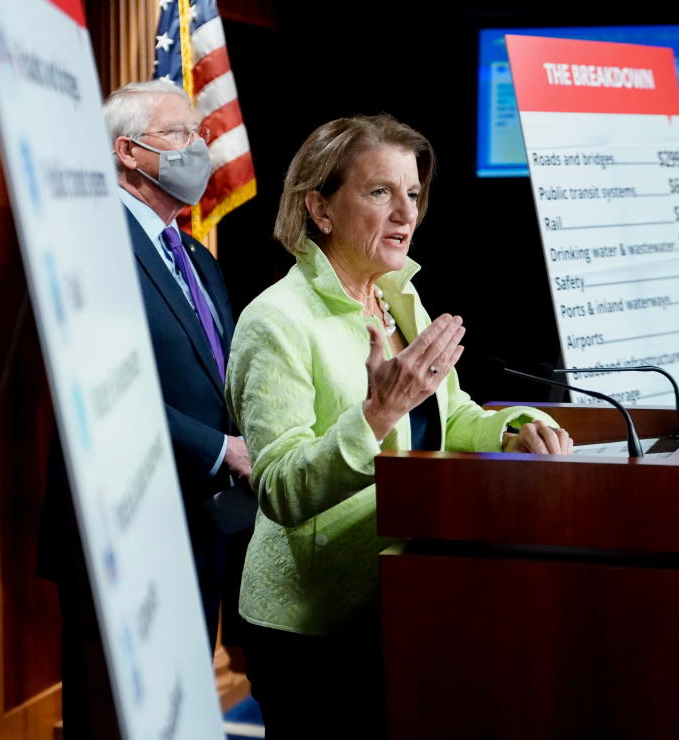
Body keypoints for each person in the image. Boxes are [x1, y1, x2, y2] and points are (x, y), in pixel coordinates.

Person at [225, 114, 571, 738]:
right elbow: (279, 487)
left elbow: (450, 417)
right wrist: (377, 415)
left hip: (408, 595)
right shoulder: (274, 321)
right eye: (380, 191)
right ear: (319, 208)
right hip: (315, 628)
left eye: (412, 194)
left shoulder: (398, 297)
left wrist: (515, 430)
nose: (405, 212)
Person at [40, 80, 250, 739]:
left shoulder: (192, 254)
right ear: (128, 153)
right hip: (123, 528)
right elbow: (98, 382)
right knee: (116, 719)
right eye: (182, 134)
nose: (201, 148)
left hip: (203, 522)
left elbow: (225, 375)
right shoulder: (90, 245)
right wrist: (219, 449)